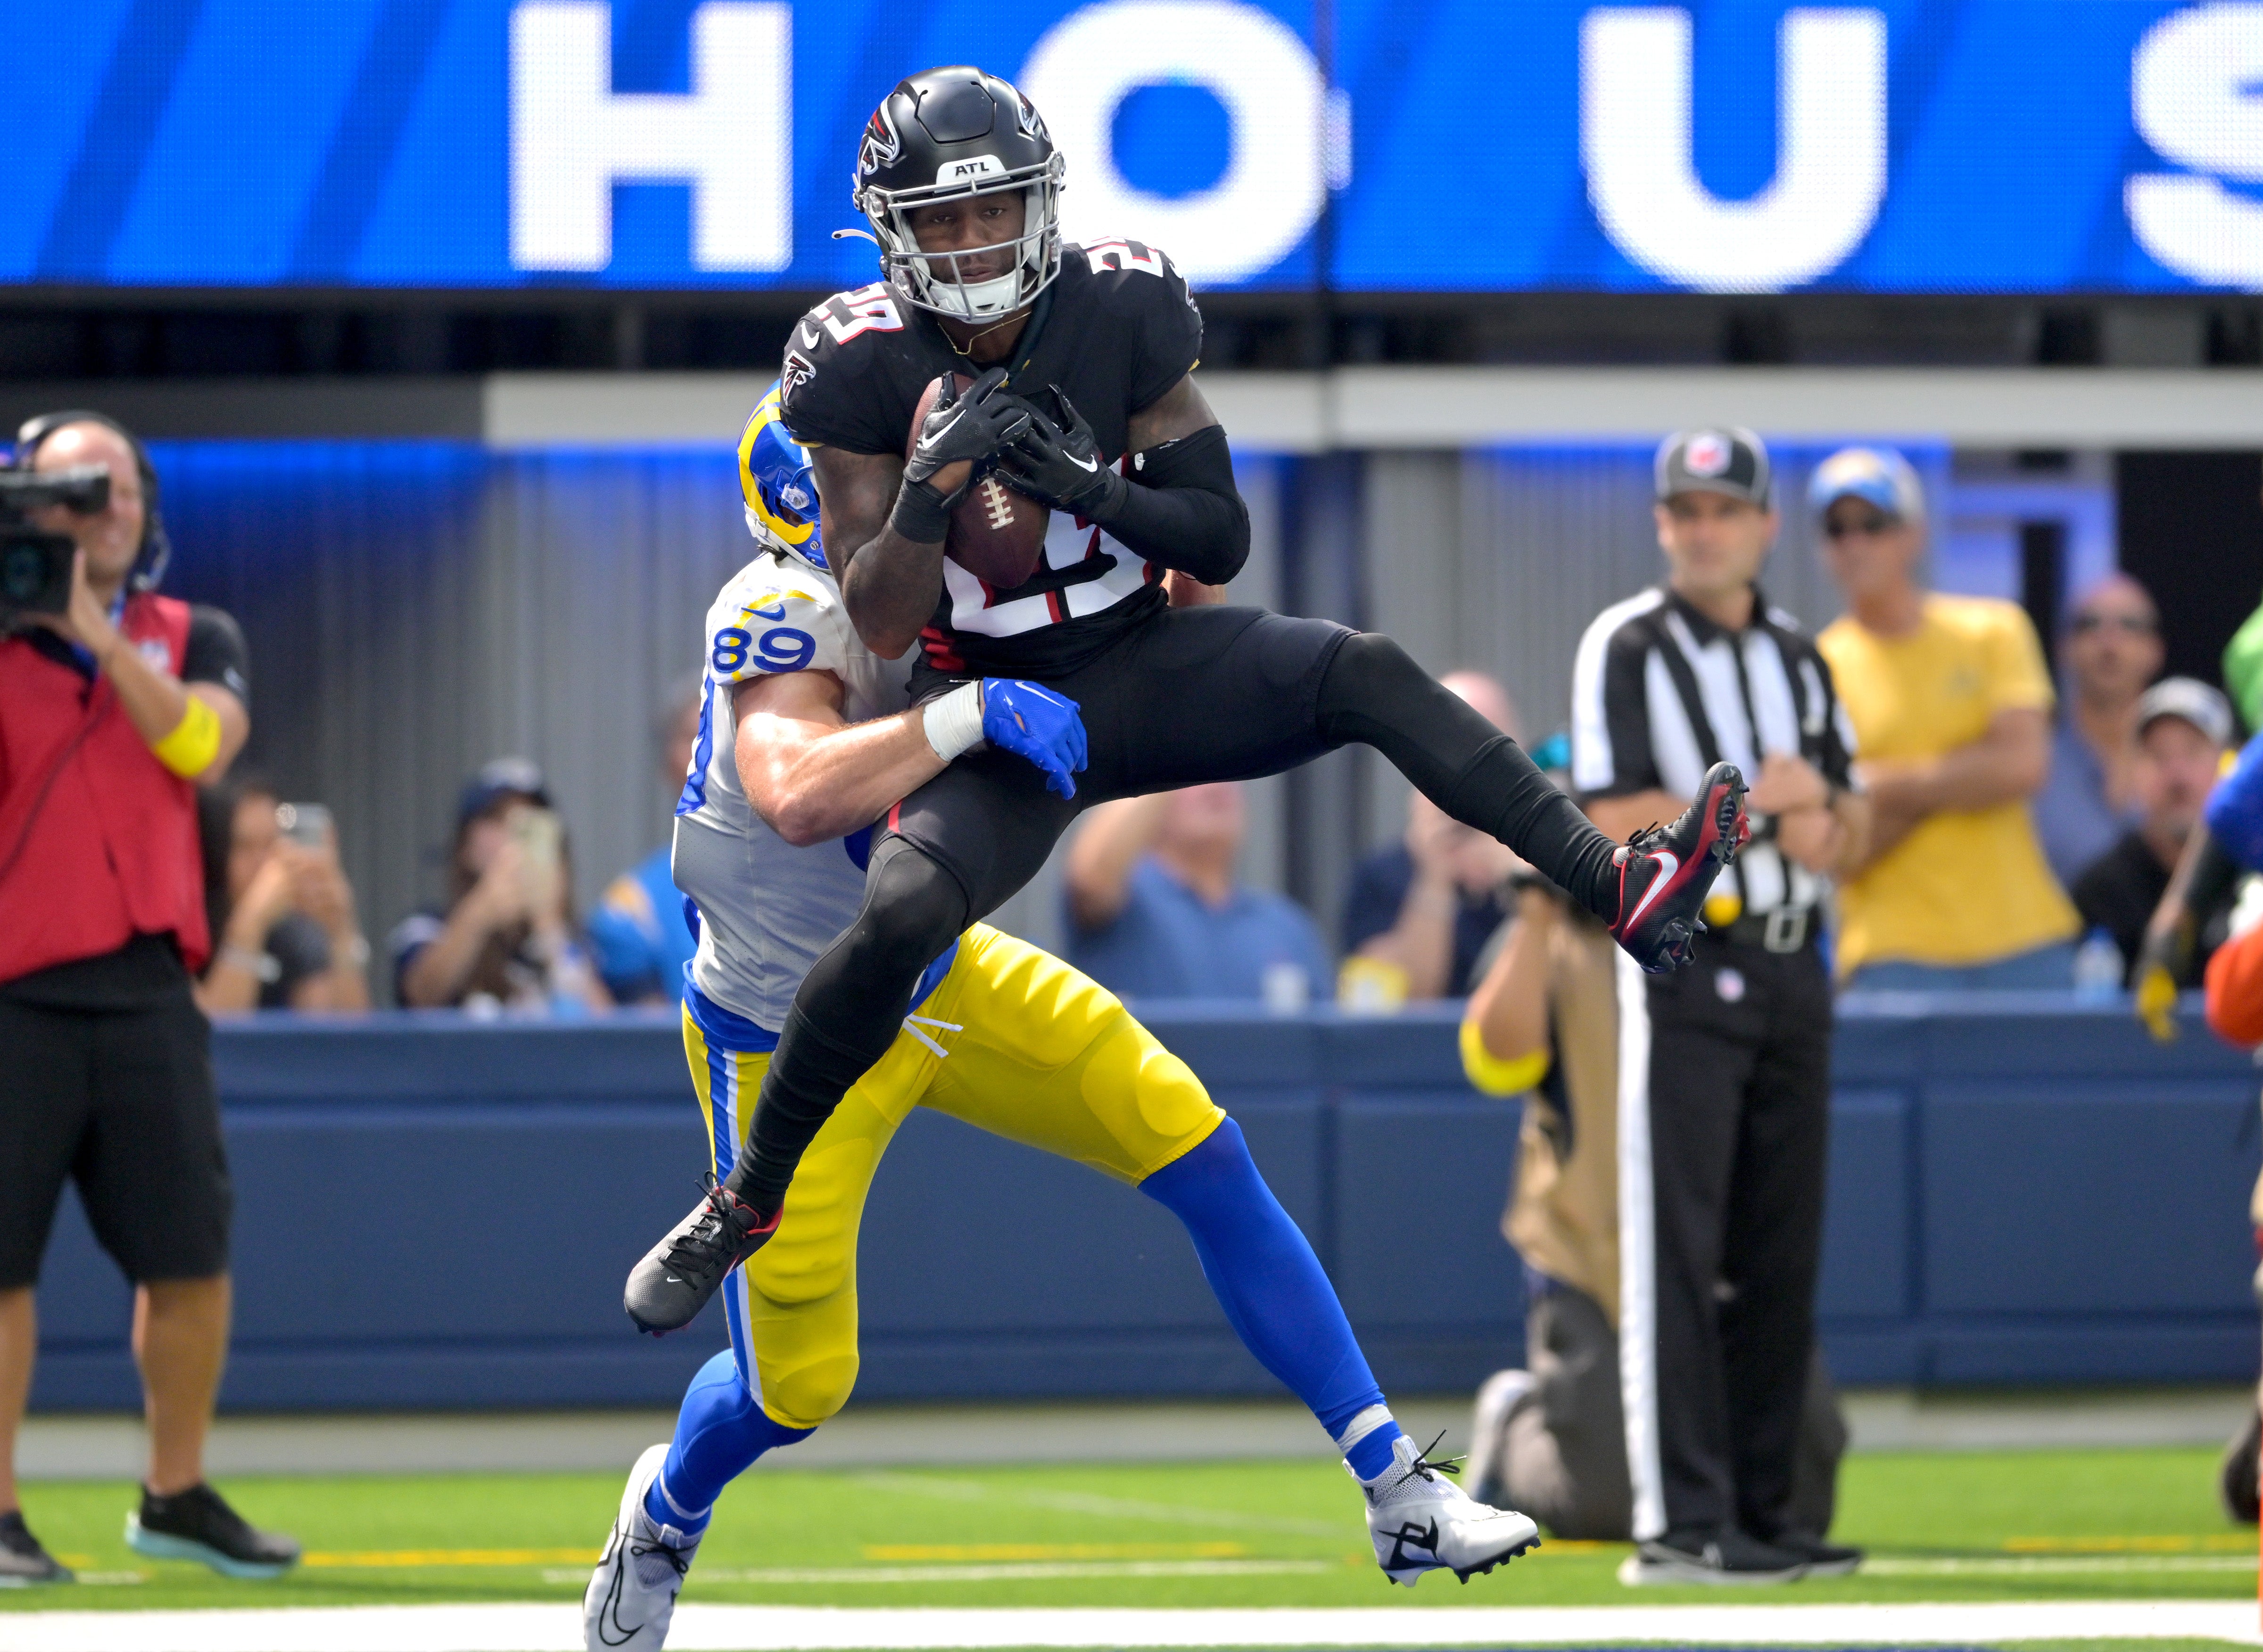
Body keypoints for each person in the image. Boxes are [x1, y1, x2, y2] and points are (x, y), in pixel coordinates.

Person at [623, 67, 1748, 1348]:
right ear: (894, 237)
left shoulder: (1122, 305)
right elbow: (881, 621)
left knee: (1363, 672)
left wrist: (1086, 487)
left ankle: (1619, 884)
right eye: (941, 222)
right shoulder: (857, 362)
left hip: (1138, 664)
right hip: (998, 707)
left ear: (1042, 206)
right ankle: (744, 1199)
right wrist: (934, 488)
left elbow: (1221, 535)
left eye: (993, 210)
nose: (974, 243)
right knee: (901, 913)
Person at [582, 388, 1539, 1650]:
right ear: (825, 500)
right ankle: (665, 1511)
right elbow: (798, 793)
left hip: (940, 982)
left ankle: (1395, 1490)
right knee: (799, 1387)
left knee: (1198, 1145)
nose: (920, 500)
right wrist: (969, 713)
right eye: (887, 482)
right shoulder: (783, 606)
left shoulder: (952, 583)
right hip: (787, 1038)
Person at [0, 411, 296, 1584]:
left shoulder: (192, 633)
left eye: (118, 488)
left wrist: (89, 631)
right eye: (76, 490)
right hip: (14, 985)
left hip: (146, 986)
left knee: (188, 1254)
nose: (102, 507)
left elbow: (199, 749)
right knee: (2, 1263)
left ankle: (173, 1490)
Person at [1569, 427, 1867, 1584]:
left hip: (1796, 959)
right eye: (1682, 510)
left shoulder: (1801, 654)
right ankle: (1681, 1517)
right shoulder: (1626, 643)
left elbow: (1843, 828)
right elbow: (1613, 808)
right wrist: (1765, 801)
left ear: (1759, 525)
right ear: (1661, 525)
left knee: (1777, 1244)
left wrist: (1801, 812)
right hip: (1688, 957)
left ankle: (1764, 1506)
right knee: (1678, 1243)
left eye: (1722, 508)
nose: (1702, 528)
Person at [1457, 869, 1848, 1548]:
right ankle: (1518, 1421)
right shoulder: (1563, 931)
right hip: (1592, 1253)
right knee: (1607, 1503)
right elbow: (1497, 1058)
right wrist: (1536, 917)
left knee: (1797, 1492)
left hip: (1721, 1258)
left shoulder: (1745, 921)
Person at [1812, 446, 2081, 989]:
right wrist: (1970, 770)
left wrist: (1879, 784)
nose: (1856, 542)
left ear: (1914, 534)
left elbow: (2023, 767)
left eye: (1874, 523)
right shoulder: (1812, 668)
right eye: (1838, 528)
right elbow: (1839, 847)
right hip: (1892, 950)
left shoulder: (1994, 630)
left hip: (2024, 935)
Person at [1340, 672, 1524, 1002]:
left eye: (1492, 744)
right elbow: (1392, 1005)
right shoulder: (1381, 877)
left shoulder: (1550, 868)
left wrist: (1521, 879)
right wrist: (1434, 879)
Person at [1064, 783, 1330, 1003]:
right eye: (1195, 780)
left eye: (1228, 774)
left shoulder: (1288, 927)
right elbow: (1090, 877)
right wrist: (1172, 754)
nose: (1215, 788)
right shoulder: (1127, 899)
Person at [388, 758, 612, 1015]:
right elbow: (421, 997)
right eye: (496, 819)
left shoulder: (580, 943)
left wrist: (550, 928)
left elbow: (607, 1032)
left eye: (531, 825)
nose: (513, 836)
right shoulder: (425, 928)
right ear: (465, 846)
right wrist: (481, 911)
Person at [2071, 678, 2236, 986]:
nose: (2177, 776)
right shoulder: (2102, 891)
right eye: (2158, 756)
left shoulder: (2253, 877)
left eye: (2194, 752)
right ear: (2132, 772)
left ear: (2231, 764)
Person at [196, 776, 371, 1015]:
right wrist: (250, 926)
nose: (263, 863)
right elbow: (212, 1036)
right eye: (245, 846)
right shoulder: (187, 932)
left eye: (272, 844)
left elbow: (346, 1039)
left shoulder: (294, 934)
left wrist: (341, 933)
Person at [2034, 576, 2164, 888]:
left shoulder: (2192, 769)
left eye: (2130, 625)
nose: (2110, 643)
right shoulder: (2031, 766)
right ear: (2064, 649)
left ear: (2155, 650)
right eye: (2090, 625)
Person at [589, 680, 706, 1007]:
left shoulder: (816, 874)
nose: (708, 751)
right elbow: (648, 1049)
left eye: (723, 731)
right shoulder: (632, 907)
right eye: (691, 736)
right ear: (666, 762)